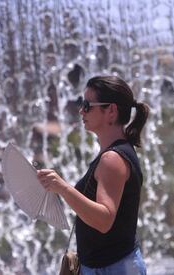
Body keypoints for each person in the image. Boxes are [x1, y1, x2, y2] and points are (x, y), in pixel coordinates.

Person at [37, 75, 149, 274]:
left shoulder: (112, 159)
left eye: (88, 105)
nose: (81, 111)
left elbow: (104, 220)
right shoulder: (113, 153)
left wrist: (62, 188)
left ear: (111, 111)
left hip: (113, 269)